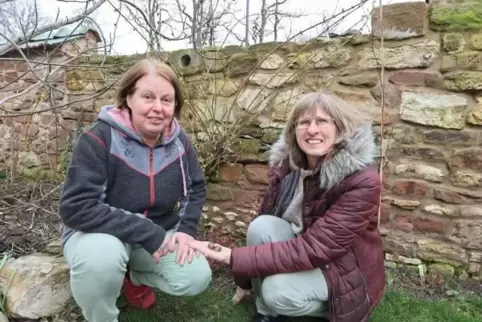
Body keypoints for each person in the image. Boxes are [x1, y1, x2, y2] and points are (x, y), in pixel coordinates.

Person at [188, 92, 386, 322]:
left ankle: (329, 308)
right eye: (304, 122)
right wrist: (244, 280)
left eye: (322, 121)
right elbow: (266, 218)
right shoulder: (288, 166)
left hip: (343, 266)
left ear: (339, 128)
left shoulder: (362, 180)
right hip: (303, 246)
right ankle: (266, 312)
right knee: (261, 226)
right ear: (294, 130)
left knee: (277, 290)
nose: (312, 130)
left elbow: (317, 248)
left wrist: (233, 257)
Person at [58, 58, 212, 322]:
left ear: (175, 105)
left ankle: (130, 275)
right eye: (148, 97)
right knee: (102, 260)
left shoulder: (180, 143)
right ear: (128, 98)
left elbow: (195, 189)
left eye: (167, 100)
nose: (158, 108)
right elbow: (76, 207)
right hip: (100, 235)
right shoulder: (99, 138)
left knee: (196, 276)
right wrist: (146, 231)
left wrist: (186, 231)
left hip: (154, 236)